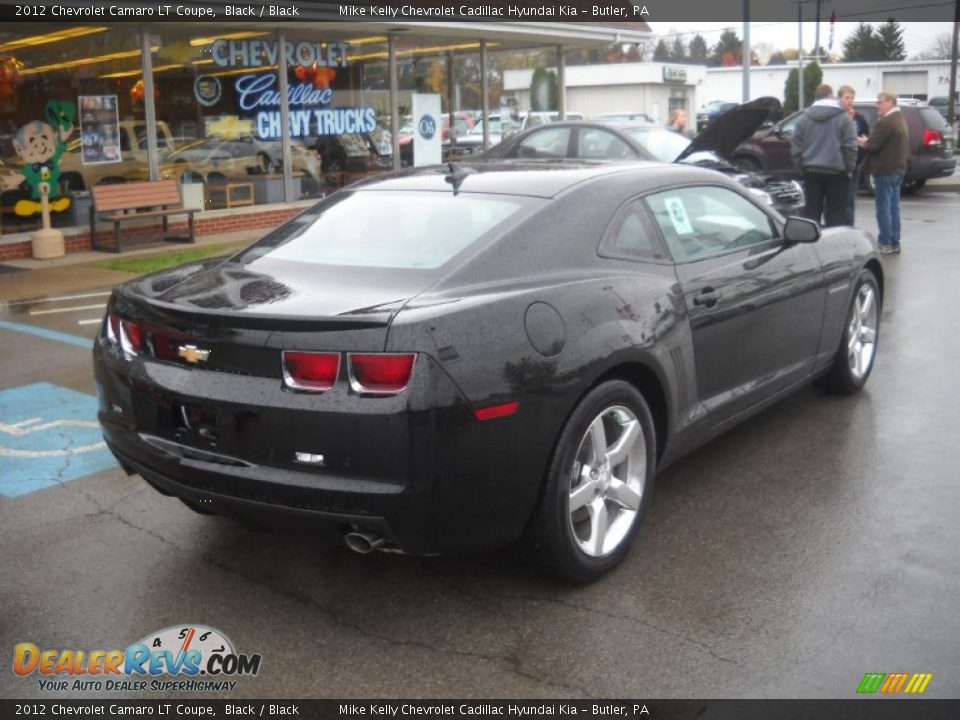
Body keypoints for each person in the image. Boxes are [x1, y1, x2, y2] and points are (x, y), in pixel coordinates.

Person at [790, 84, 858, 227]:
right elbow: (850, 147)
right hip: (837, 172)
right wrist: (849, 169)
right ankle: (834, 246)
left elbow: (796, 147)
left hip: (811, 172)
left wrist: (801, 168)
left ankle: (811, 245)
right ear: (831, 96)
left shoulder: (803, 119)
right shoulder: (844, 119)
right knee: (837, 215)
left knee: (811, 214)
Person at [858, 91, 909, 254]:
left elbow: (872, 145)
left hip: (885, 170)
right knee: (894, 207)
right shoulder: (900, 119)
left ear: (890, 103)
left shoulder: (887, 122)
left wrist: (863, 141)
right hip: (897, 169)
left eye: (879, 102)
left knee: (883, 208)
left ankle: (885, 243)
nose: (877, 106)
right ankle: (895, 242)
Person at [838, 85, 870, 225]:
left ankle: (849, 228)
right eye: (847, 97)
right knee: (836, 200)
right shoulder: (836, 116)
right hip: (837, 165)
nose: (850, 101)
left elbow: (866, 139)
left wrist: (861, 145)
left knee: (849, 201)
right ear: (839, 99)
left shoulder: (859, 119)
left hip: (853, 166)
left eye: (852, 98)